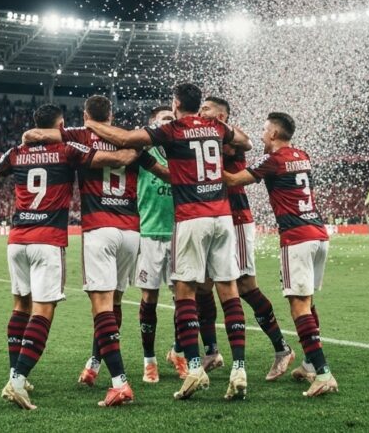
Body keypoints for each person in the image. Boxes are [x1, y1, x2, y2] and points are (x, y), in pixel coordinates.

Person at [84, 82, 253, 401]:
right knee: (227, 289)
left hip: (192, 218)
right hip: (222, 216)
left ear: (176, 104)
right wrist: (227, 130)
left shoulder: (173, 129)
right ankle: (239, 368)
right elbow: (245, 141)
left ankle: (193, 367)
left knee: (185, 291)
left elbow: (122, 139)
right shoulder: (215, 126)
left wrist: (91, 122)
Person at [0, 104, 137, 410]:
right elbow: (116, 158)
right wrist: (136, 150)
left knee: (20, 306)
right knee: (43, 311)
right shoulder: (68, 150)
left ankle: (16, 371)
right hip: (48, 239)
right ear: (59, 125)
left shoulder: (16, 152)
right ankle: (17, 381)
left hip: (17, 240)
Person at [20, 95, 168, 398]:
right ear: (111, 115)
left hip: (99, 228)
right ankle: (94, 364)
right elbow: (164, 173)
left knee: (102, 306)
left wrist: (42, 134)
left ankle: (118, 380)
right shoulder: (128, 138)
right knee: (114, 302)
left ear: (86, 114)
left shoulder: (77, 135)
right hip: (131, 232)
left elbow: (35, 135)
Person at [222, 111, 338, 397]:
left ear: (274, 134)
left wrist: (200, 166)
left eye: (264, 130)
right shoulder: (303, 155)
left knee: (298, 306)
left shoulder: (273, 159)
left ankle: (323, 374)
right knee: (307, 302)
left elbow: (234, 180)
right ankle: (310, 364)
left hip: (296, 236)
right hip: (319, 234)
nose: (261, 135)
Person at [199, 97, 294, 380]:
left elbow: (247, 142)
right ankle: (212, 351)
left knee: (244, 286)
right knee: (203, 286)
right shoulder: (200, 135)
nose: (201, 112)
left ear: (222, 116)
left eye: (207, 109)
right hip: (209, 220)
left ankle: (282, 348)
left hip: (236, 219)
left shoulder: (231, 137)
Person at [131, 106, 185, 383]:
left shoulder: (183, 151)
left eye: (171, 118)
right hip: (150, 233)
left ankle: (179, 352)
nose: (169, 122)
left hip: (179, 232)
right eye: (164, 119)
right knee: (149, 298)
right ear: (153, 124)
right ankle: (149, 361)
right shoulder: (142, 152)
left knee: (182, 299)